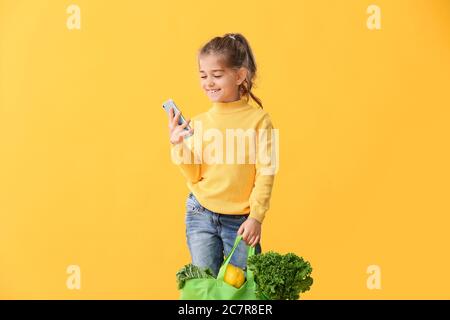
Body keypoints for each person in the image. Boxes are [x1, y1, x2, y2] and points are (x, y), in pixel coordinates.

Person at [167, 33, 277, 277]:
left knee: (242, 286)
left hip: (241, 221)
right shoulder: (198, 123)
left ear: (240, 76)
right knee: (203, 283)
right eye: (203, 76)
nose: (209, 83)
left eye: (217, 75)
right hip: (201, 212)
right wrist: (179, 145)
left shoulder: (259, 121)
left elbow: (266, 173)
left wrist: (256, 217)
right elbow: (194, 175)